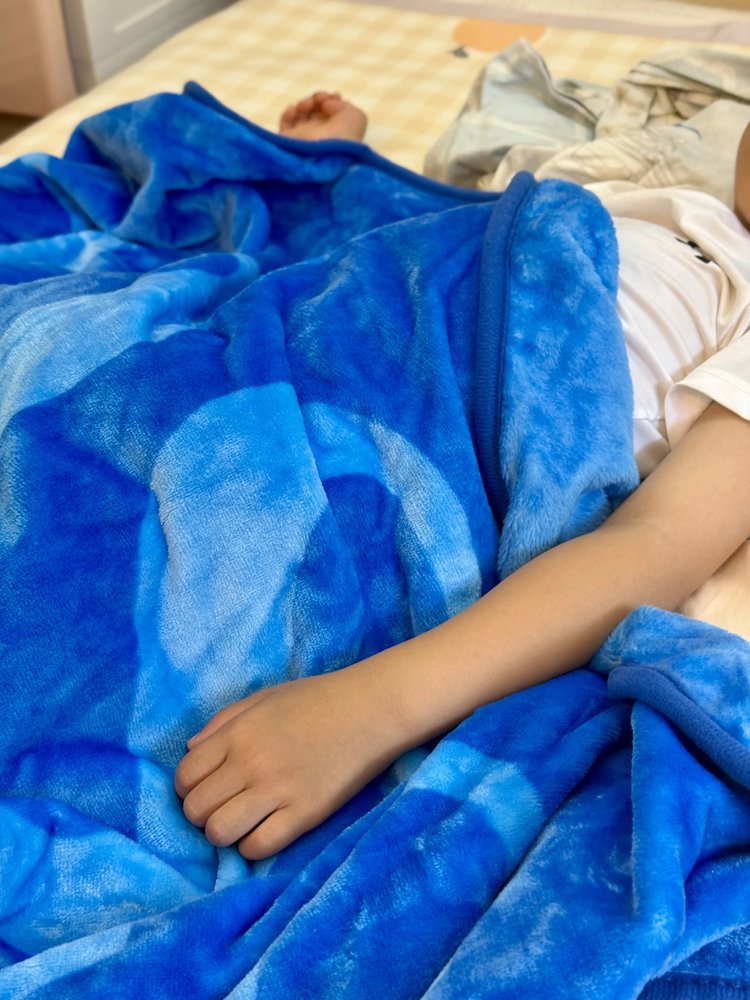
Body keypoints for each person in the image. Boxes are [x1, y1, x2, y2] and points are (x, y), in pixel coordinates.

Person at [175, 92, 750, 862]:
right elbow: (428, 245)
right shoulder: (677, 203)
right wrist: (332, 172)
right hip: (344, 326)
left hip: (420, 437)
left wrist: (370, 708)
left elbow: (658, 544)